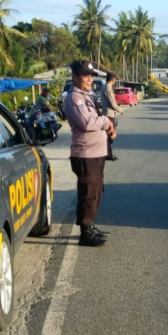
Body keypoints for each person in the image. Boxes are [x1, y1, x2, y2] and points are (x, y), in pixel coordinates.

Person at [64, 60, 116, 247]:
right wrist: (105, 121)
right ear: (75, 76)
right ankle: (85, 233)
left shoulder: (87, 95)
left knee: (95, 192)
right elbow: (87, 123)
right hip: (85, 155)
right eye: (85, 75)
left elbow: (95, 121)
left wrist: (109, 128)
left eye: (91, 75)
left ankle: (91, 225)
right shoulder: (74, 98)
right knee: (87, 193)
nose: (89, 79)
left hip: (96, 153)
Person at [100, 72, 125, 161]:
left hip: (107, 113)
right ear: (113, 79)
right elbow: (112, 103)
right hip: (108, 114)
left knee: (107, 135)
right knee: (110, 134)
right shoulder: (108, 88)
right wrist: (120, 109)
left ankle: (108, 153)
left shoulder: (104, 86)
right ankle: (108, 154)